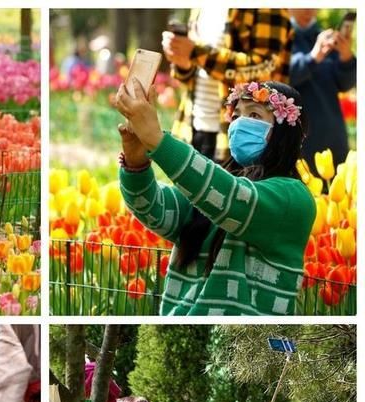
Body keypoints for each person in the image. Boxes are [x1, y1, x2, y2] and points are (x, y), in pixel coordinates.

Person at [115, 77, 315, 316]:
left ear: (284, 134)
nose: (240, 123)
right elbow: (153, 209)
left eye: (254, 116)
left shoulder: (293, 199)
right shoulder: (209, 193)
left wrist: (157, 140)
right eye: (237, 114)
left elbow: (232, 198)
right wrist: (136, 161)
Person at [163, 9, 293, 161]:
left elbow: (264, 67)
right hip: (192, 129)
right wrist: (183, 63)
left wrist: (195, 52)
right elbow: (196, 74)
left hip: (243, 136)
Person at [289, 9, 356, 166]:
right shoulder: (278, 37)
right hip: (297, 138)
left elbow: (345, 84)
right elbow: (277, 77)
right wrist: (312, 58)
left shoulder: (327, 39)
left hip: (332, 134)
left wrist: (346, 57)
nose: (308, 10)